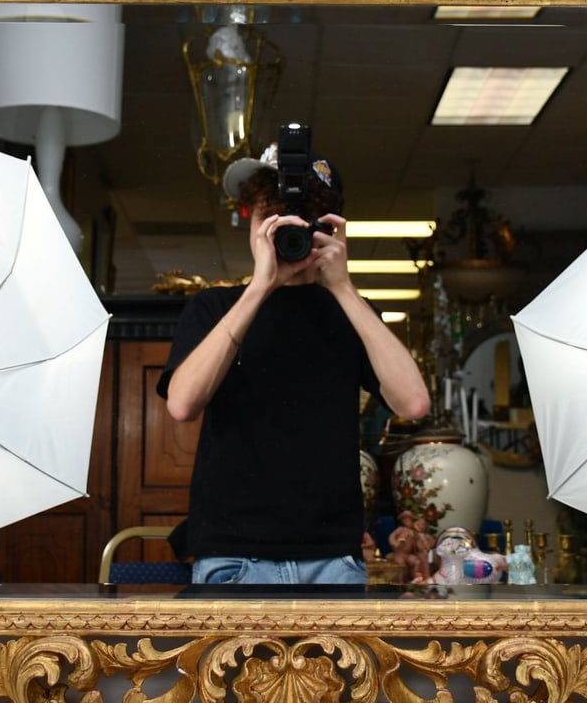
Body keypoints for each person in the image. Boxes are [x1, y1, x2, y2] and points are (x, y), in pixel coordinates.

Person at [157, 141, 430, 586]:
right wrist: (260, 288)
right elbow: (183, 404)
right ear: (251, 221)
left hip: (332, 557)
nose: (282, 234)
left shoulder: (351, 313)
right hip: (232, 553)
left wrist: (343, 287)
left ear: (328, 228)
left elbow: (414, 404)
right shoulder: (213, 308)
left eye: (297, 221)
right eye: (270, 217)